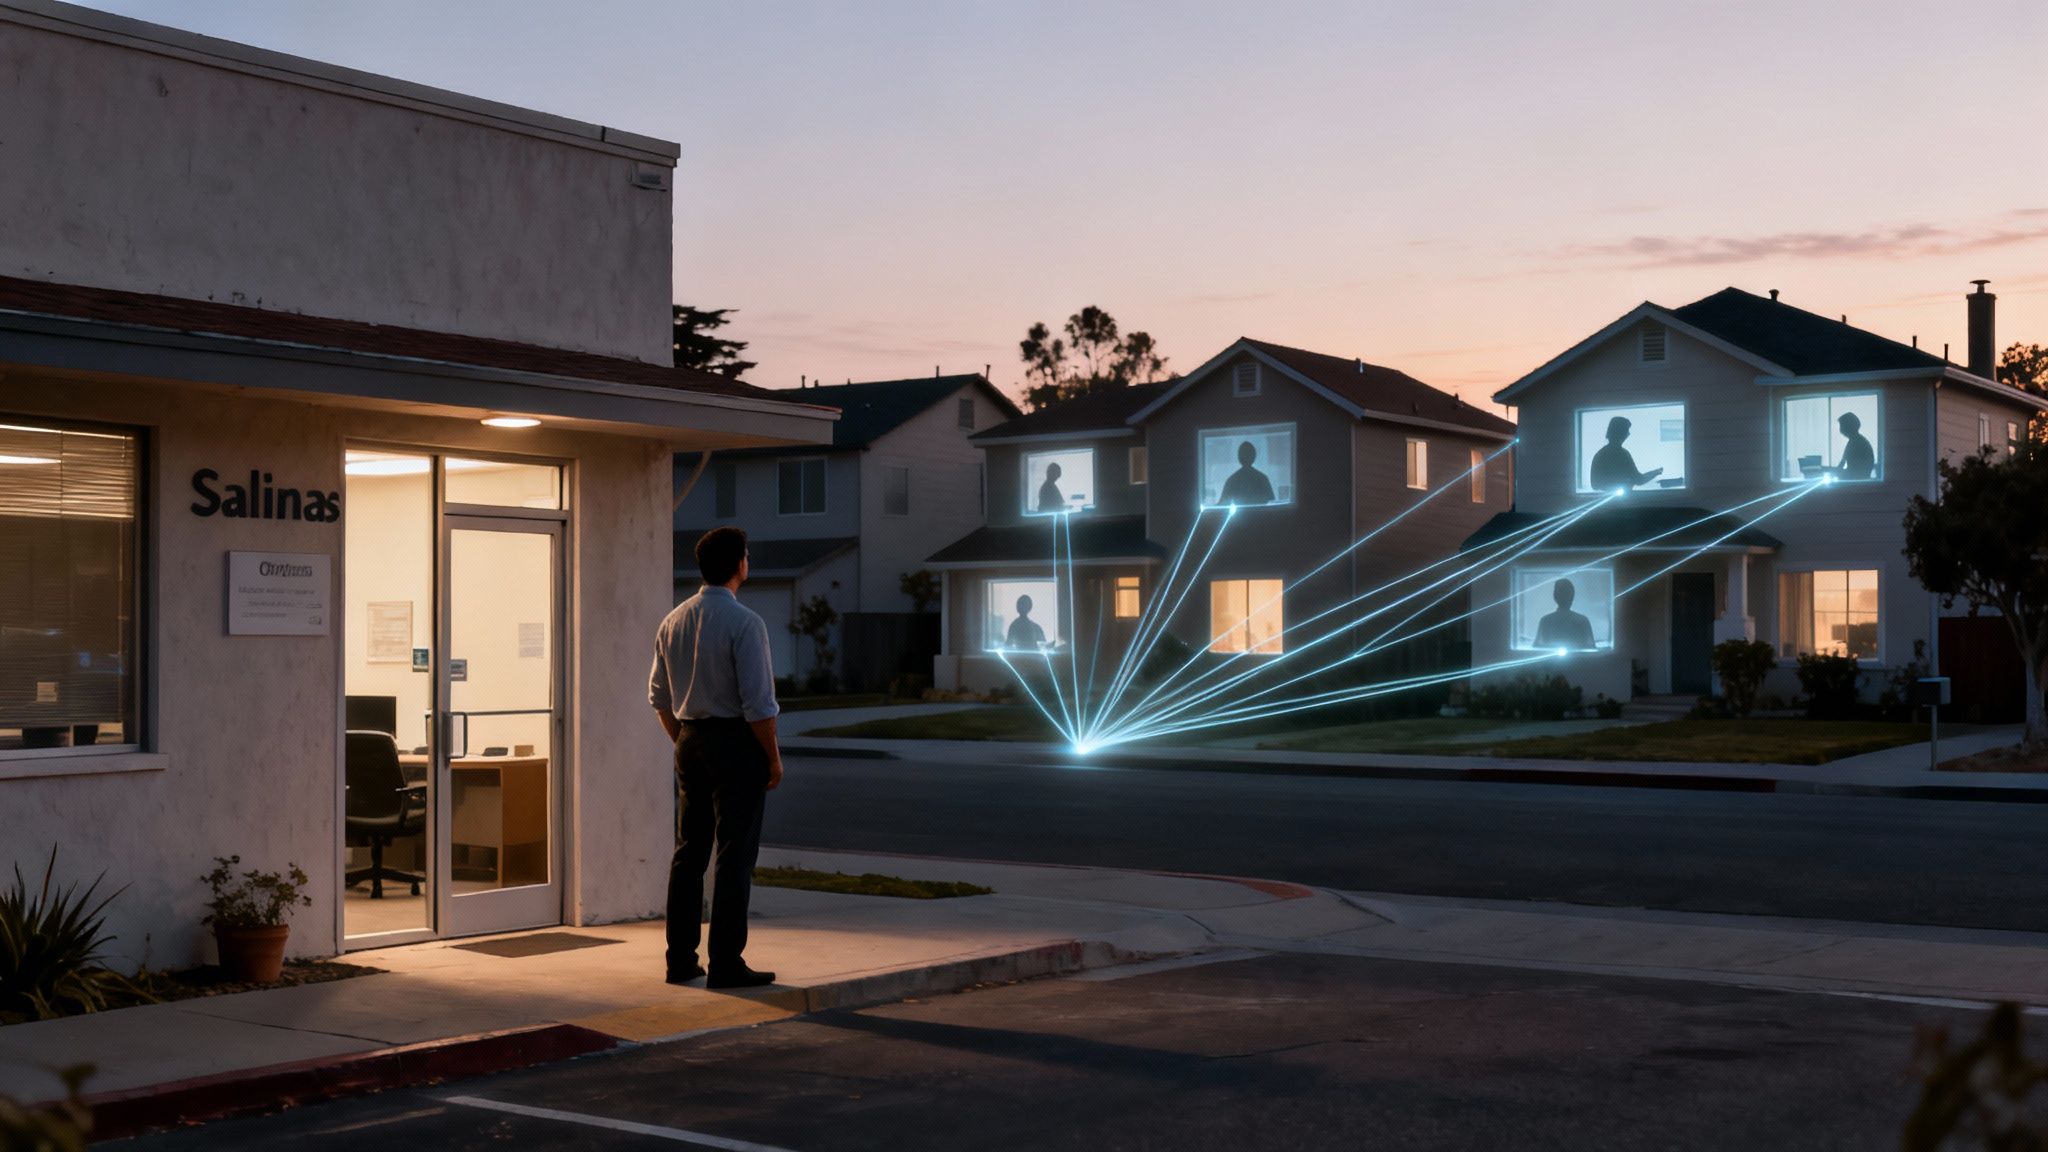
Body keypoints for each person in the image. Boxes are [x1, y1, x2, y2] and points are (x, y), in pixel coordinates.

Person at [648, 526, 781, 989]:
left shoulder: (673, 620)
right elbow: (759, 704)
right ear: (739, 564)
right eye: (746, 555)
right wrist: (773, 758)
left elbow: (659, 697)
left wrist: (683, 740)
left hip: (690, 739)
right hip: (735, 742)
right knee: (734, 854)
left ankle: (680, 959)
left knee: (690, 852)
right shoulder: (746, 623)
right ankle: (726, 962)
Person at [1587, 416, 1664, 491]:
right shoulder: (1623, 454)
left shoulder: (1600, 454)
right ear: (1621, 432)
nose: (1628, 434)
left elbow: (1595, 485)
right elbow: (1639, 480)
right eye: (1627, 430)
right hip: (1621, 502)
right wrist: (1656, 472)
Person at [1533, 577, 1597, 651]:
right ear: (1572, 596)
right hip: (1579, 662)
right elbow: (1591, 647)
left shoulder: (1545, 620)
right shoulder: (1582, 620)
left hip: (1550, 662)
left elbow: (1537, 647)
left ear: (1555, 596)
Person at [1216, 440, 1277, 506]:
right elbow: (1272, 503)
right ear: (1254, 456)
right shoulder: (1262, 478)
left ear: (1239, 457)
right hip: (1261, 515)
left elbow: (1222, 504)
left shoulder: (1232, 479)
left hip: (1240, 516)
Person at [1829, 411, 1875, 481]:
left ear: (1848, 426)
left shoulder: (1857, 443)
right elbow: (1843, 461)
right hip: (1857, 478)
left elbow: (1855, 470)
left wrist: (1836, 473)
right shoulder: (1855, 440)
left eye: (1842, 426)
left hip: (1858, 480)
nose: (1840, 430)